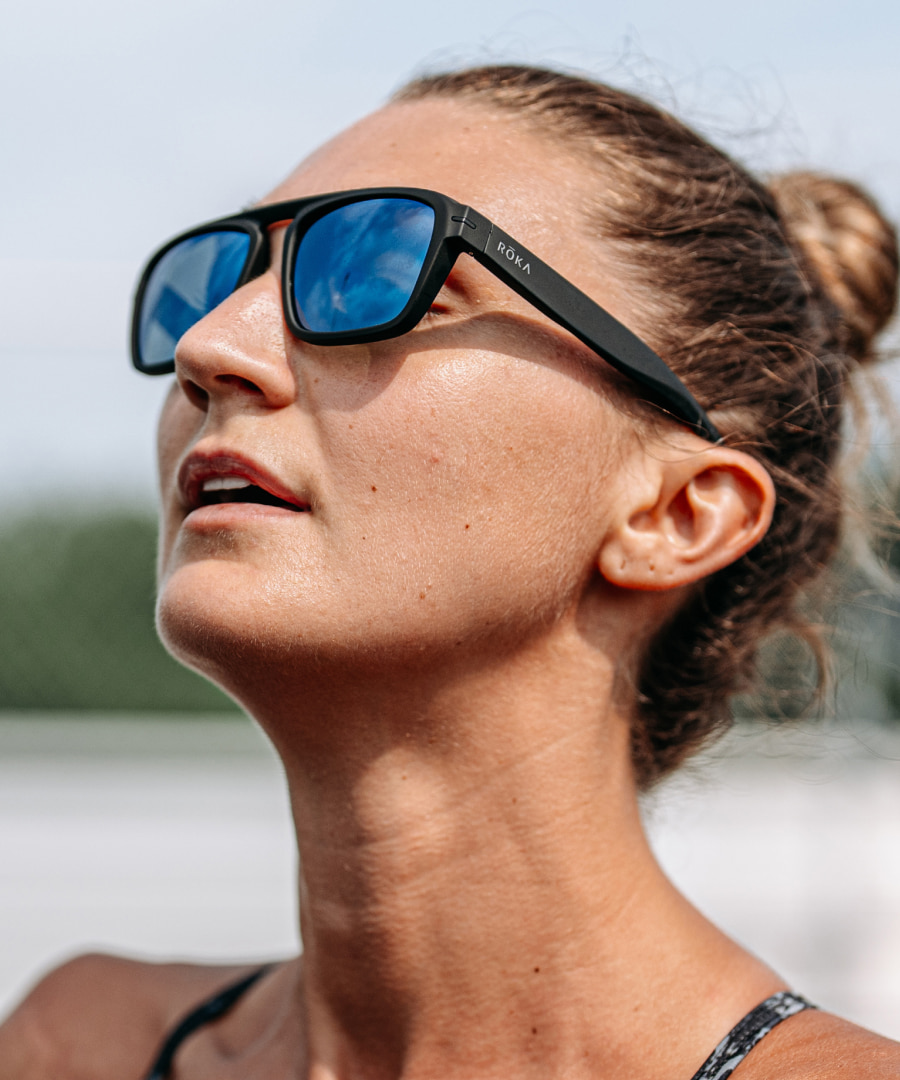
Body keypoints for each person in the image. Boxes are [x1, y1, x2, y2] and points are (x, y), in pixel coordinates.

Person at [2, 63, 898, 1079]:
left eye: (384, 273)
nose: (210, 348)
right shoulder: (76, 1048)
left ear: (675, 514)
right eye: (220, 280)